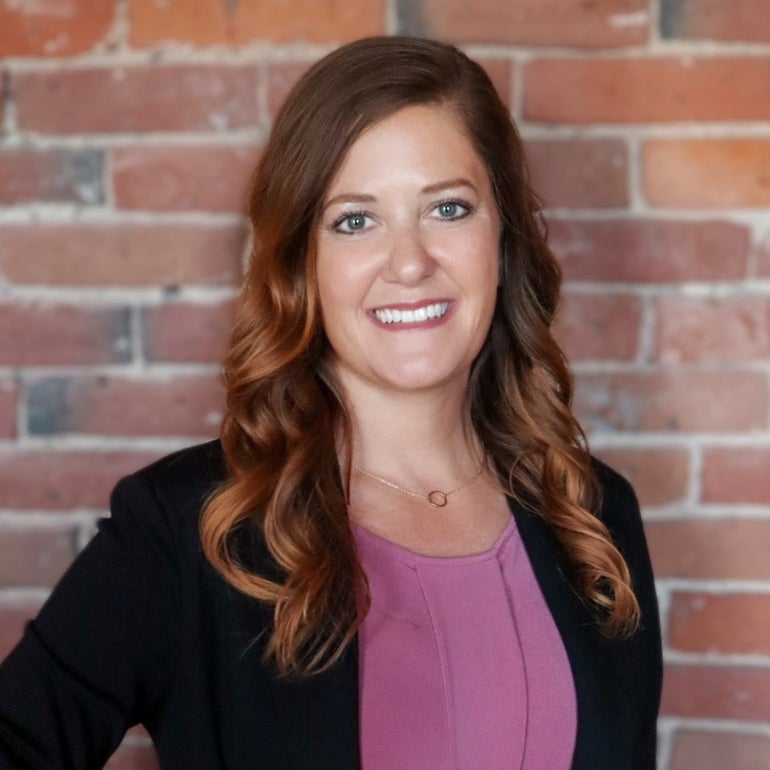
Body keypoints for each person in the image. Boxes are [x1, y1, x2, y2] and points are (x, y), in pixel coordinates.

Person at [0, 36, 661, 770]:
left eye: (447, 208)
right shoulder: (188, 530)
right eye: (355, 220)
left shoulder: (594, 519)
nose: (409, 262)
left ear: (503, 236)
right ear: (300, 263)